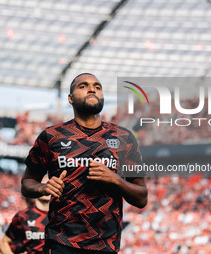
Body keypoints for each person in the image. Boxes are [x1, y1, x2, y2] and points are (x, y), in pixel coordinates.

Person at [21, 73, 148, 254]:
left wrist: (115, 180)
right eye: (83, 86)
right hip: (60, 242)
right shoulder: (51, 136)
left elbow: (142, 198)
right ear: (70, 98)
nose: (92, 89)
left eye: (97, 87)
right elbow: (27, 183)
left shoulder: (124, 138)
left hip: (105, 246)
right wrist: (44, 188)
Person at [0, 176, 50, 254]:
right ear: (36, 188)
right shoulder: (22, 216)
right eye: (43, 184)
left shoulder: (61, 216)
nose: (47, 187)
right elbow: (3, 243)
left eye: (49, 184)